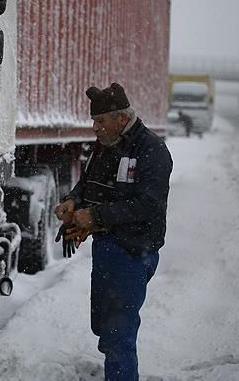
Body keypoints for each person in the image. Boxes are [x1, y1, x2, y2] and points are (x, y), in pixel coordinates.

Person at [54, 82, 173, 381]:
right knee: (104, 327)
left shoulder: (152, 150)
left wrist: (94, 215)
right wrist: (73, 201)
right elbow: (90, 183)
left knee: (119, 334)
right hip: (106, 249)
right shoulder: (105, 145)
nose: (94, 127)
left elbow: (148, 205)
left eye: (100, 120)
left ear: (121, 118)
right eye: (94, 120)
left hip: (134, 252)